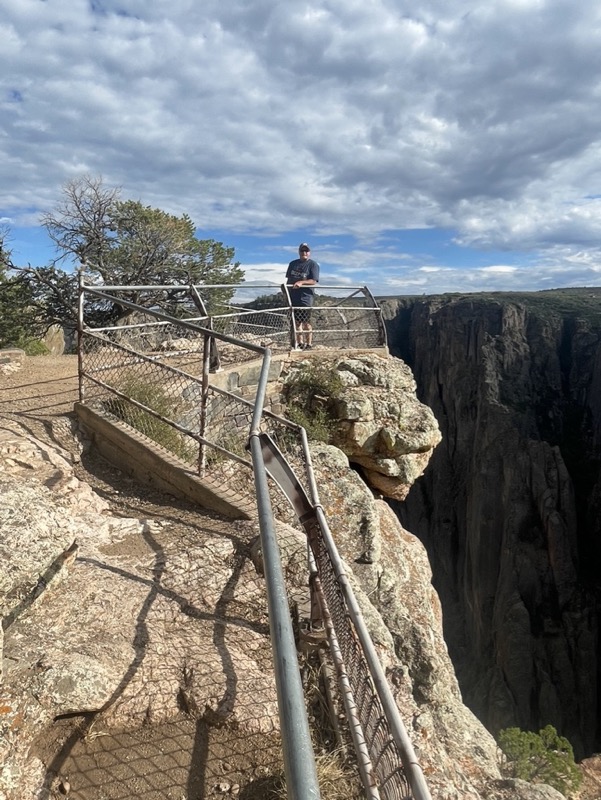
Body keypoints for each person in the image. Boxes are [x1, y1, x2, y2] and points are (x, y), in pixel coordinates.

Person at [285, 243, 320, 349]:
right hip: (294, 296)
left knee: (306, 322)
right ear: (299, 252)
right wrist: (286, 292)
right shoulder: (293, 264)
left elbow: (313, 281)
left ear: (309, 252)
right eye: (302, 251)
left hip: (305, 298)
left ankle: (309, 344)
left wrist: (301, 282)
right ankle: (300, 343)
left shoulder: (313, 265)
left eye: (306, 251)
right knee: (296, 322)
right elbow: (289, 279)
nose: (304, 253)